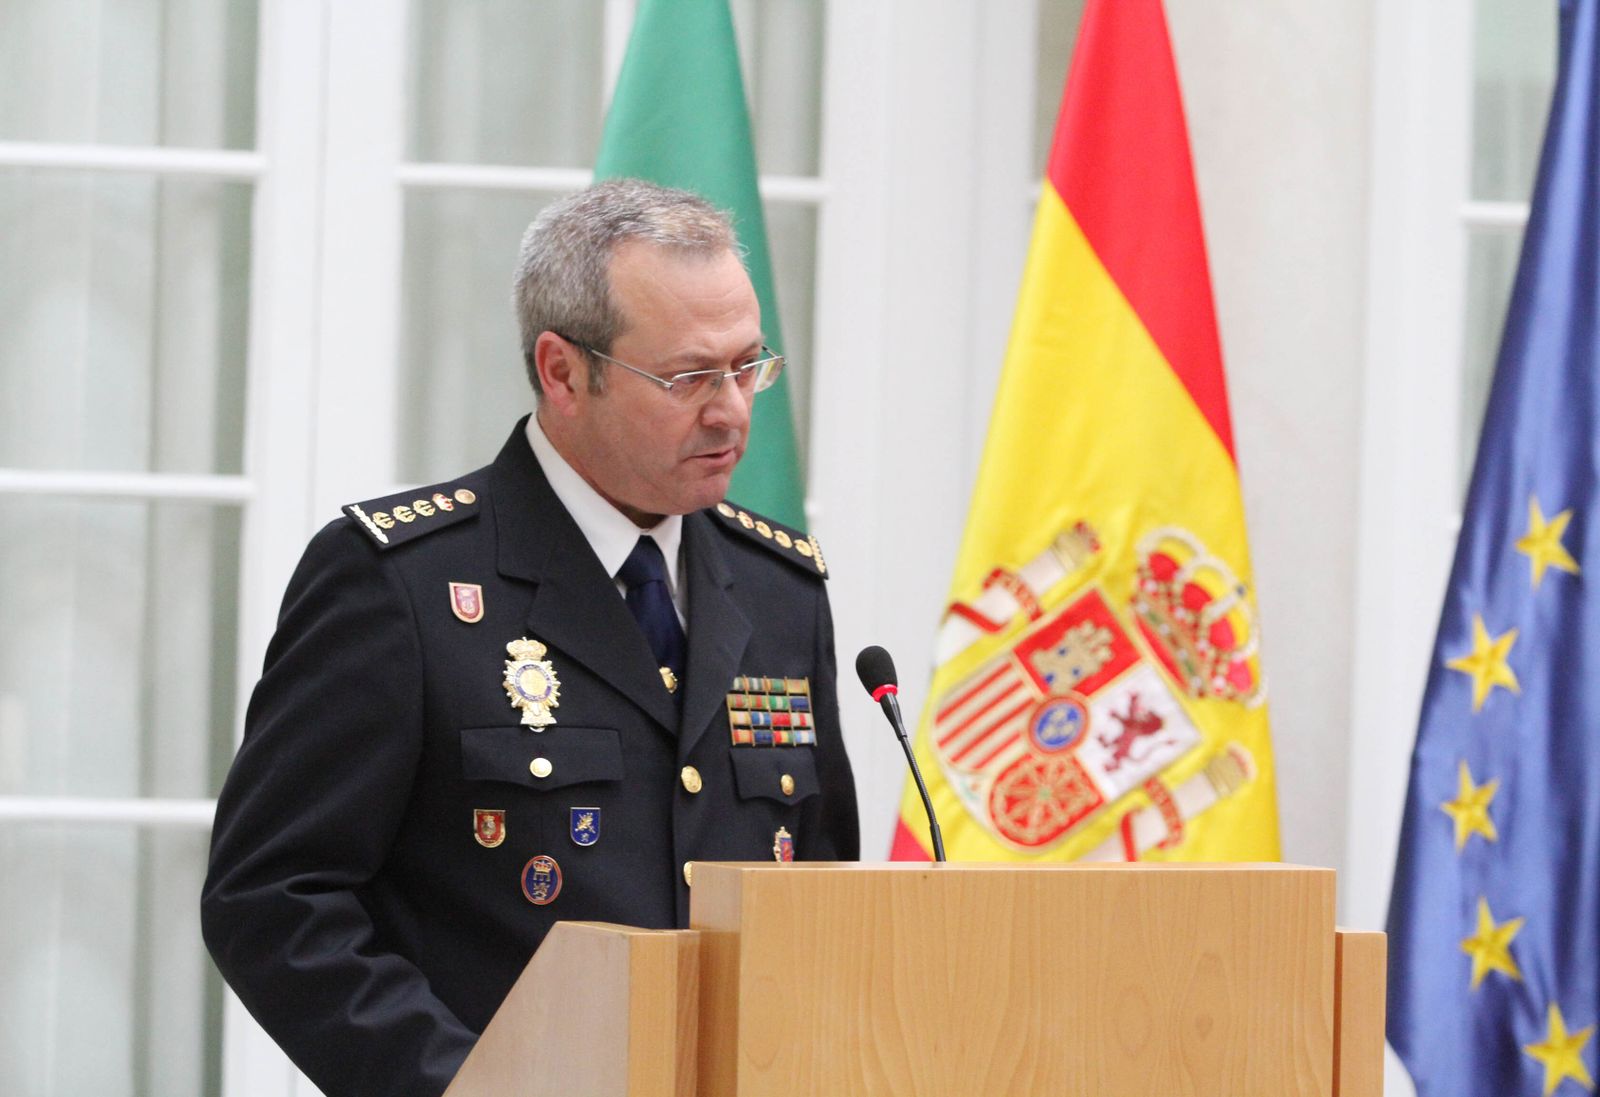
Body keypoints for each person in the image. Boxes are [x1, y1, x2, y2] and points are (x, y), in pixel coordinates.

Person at [201, 179, 860, 1097]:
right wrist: (467, 1085)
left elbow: (824, 900)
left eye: (749, 366)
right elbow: (274, 901)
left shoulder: (781, 590)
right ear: (561, 371)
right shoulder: (402, 582)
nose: (732, 410)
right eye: (687, 377)